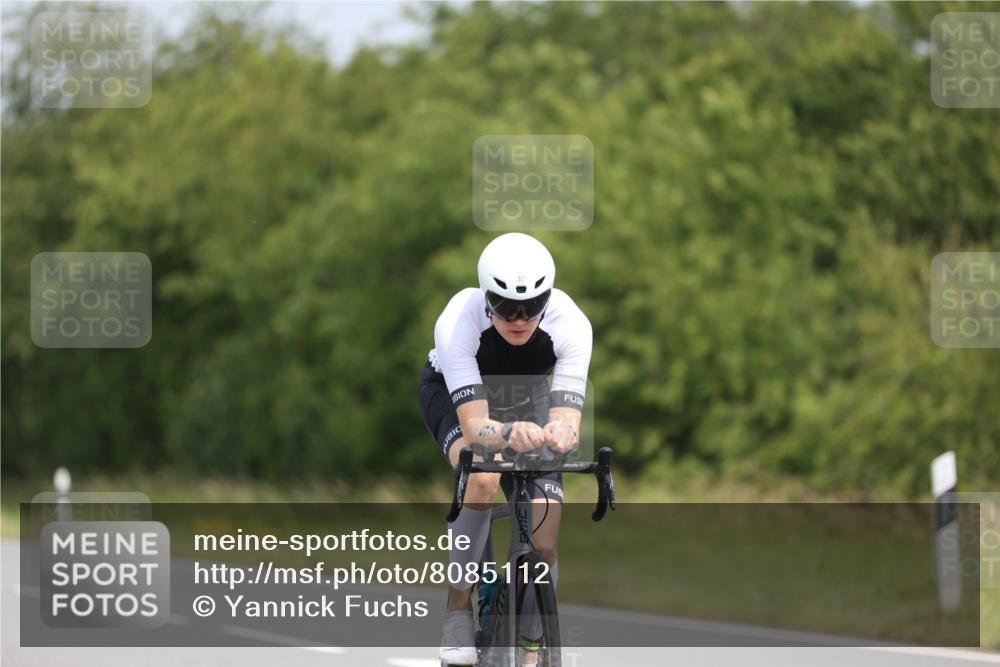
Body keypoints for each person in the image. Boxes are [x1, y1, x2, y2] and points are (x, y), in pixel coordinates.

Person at [417, 232, 592, 665]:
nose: (519, 318)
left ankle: (531, 647)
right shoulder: (458, 320)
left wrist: (561, 435)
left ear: (548, 298)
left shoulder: (571, 324)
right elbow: (476, 427)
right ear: (486, 298)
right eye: (505, 305)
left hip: (525, 399)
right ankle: (458, 610)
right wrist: (510, 432)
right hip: (457, 398)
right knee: (482, 475)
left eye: (532, 305)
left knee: (544, 540)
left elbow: (567, 420)